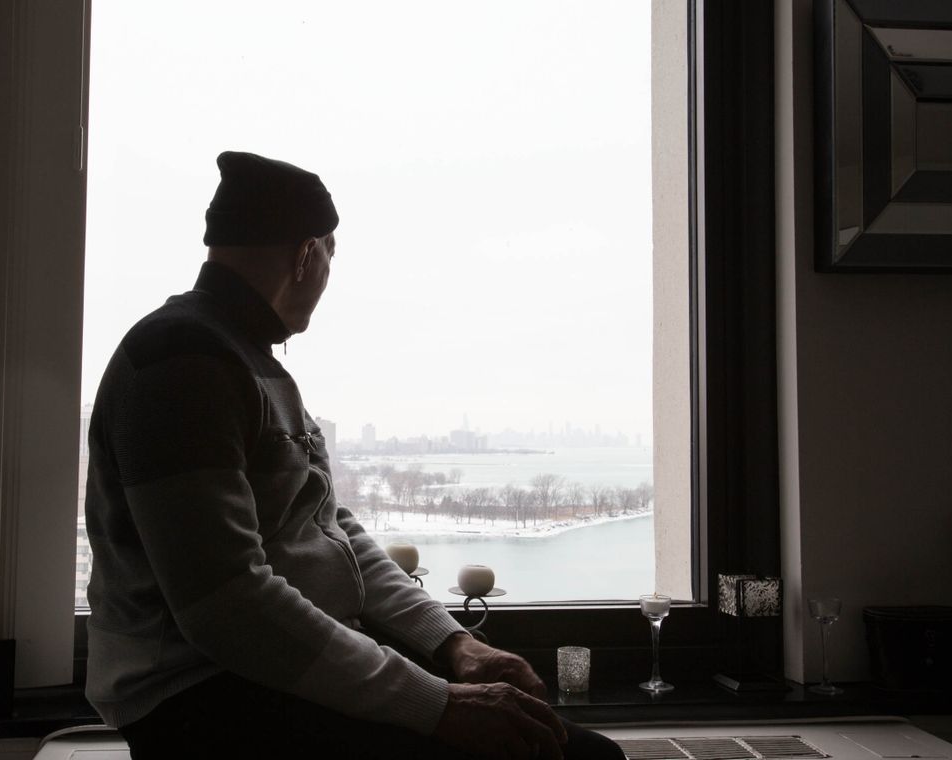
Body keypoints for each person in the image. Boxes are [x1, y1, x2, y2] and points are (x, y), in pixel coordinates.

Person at [84, 151, 626, 759]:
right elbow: (227, 607)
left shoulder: (239, 357)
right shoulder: (181, 362)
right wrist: (437, 704)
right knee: (575, 756)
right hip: (202, 700)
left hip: (275, 674)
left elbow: (333, 528)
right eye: (330, 258)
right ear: (307, 254)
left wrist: (451, 643)